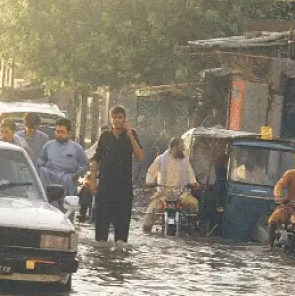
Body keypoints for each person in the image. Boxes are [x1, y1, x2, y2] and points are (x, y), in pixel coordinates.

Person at [87, 106, 144, 247]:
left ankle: (120, 256)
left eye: (120, 117)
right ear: (110, 118)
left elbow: (139, 156)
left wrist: (130, 134)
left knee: (122, 229)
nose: (117, 120)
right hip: (105, 185)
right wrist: (93, 181)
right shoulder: (105, 136)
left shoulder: (131, 135)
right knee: (101, 227)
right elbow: (97, 159)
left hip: (124, 187)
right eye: (114, 117)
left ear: (125, 119)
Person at [142, 138, 200, 233]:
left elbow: (190, 173)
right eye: (180, 147)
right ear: (172, 148)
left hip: (181, 194)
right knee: (148, 219)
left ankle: (191, 225)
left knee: (195, 204)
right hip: (163, 194)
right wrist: (149, 182)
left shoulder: (185, 160)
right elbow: (151, 172)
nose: (182, 149)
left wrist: (194, 182)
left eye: (183, 147)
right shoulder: (161, 159)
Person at [38, 118, 89, 209]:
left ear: (68, 133)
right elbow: (41, 161)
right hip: (50, 182)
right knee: (50, 210)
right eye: (57, 131)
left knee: (67, 212)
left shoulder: (76, 147)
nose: (59, 134)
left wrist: (76, 175)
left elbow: (85, 164)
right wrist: (43, 169)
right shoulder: (48, 145)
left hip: (68, 182)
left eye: (62, 132)